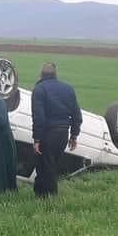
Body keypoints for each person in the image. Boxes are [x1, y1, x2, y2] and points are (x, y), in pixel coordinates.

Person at [31, 62, 83, 197]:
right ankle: (40, 194)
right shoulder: (68, 89)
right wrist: (74, 135)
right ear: (55, 74)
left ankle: (50, 197)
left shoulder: (39, 90)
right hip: (63, 134)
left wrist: (37, 139)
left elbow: (39, 117)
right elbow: (77, 114)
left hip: (48, 134)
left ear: (41, 74)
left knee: (45, 166)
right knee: (51, 164)